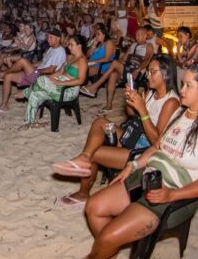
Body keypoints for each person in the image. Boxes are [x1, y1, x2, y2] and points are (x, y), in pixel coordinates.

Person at [84, 62, 198, 259]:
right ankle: (108, 250)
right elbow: (156, 147)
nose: (182, 90)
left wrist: (171, 195)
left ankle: (105, 246)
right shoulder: (180, 112)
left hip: (173, 194)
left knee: (107, 237)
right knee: (94, 207)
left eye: (188, 86)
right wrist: (132, 165)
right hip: (148, 179)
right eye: (182, 84)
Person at [52, 55, 180, 206]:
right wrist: (131, 101)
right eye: (148, 71)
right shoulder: (151, 93)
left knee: (95, 153)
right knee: (100, 122)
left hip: (143, 150)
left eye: (153, 72)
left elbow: (156, 142)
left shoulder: (171, 102)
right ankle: (84, 157)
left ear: (166, 74)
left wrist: (142, 110)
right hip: (134, 135)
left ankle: (83, 193)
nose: (148, 75)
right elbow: (132, 115)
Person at [17, 34, 88, 130]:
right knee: (35, 94)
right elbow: (60, 72)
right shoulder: (70, 57)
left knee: (41, 79)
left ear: (79, 46)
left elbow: (81, 80)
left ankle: (25, 92)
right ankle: (29, 122)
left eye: (71, 45)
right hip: (57, 86)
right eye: (69, 44)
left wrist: (60, 83)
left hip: (68, 90)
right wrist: (50, 78)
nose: (69, 47)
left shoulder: (82, 60)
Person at [80, 26, 154, 111]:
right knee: (113, 74)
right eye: (136, 35)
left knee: (115, 62)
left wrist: (138, 70)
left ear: (145, 35)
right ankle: (109, 105)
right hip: (127, 67)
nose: (137, 37)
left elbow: (147, 59)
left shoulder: (148, 46)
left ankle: (95, 86)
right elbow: (124, 58)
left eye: (139, 35)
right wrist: (119, 62)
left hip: (136, 70)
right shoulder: (133, 45)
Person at [0, 29, 67, 112]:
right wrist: (30, 66)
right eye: (48, 37)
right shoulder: (51, 48)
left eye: (51, 38)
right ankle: (4, 105)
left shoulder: (60, 51)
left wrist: (37, 70)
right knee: (8, 77)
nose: (48, 40)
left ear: (58, 39)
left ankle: (3, 73)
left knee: (22, 61)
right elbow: (42, 62)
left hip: (44, 77)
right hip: (36, 73)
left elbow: (51, 70)